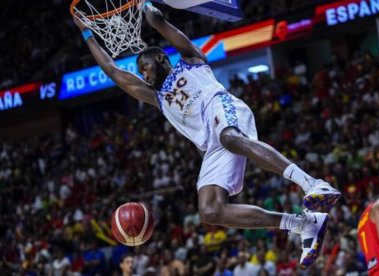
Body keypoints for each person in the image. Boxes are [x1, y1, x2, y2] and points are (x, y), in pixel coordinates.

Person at [73, 0, 341, 267]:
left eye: (146, 67)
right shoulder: (157, 97)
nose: (143, 74)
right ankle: (303, 224)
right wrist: (87, 34)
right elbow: (113, 71)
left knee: (230, 137)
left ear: (161, 58)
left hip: (223, 109)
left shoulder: (191, 60)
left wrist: (148, 9)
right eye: (140, 72)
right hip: (211, 146)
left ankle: (313, 184)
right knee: (211, 210)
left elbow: (159, 22)